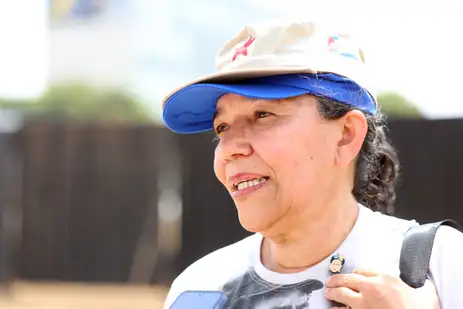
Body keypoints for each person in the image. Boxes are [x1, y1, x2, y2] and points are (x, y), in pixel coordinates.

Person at [160, 18, 463, 309]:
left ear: (346, 136)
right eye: (222, 127)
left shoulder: (439, 266)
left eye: (262, 115)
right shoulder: (199, 288)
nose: (229, 150)